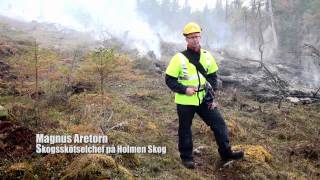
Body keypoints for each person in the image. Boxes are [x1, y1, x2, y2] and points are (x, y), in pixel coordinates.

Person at [165, 22, 244, 169]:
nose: (195, 39)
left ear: (200, 37)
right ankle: (187, 157)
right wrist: (184, 89)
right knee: (185, 128)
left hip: (204, 99)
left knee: (219, 124)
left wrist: (211, 95)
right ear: (186, 39)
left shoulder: (207, 56)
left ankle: (226, 153)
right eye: (191, 37)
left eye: (197, 36)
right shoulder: (178, 58)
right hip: (185, 100)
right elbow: (169, 79)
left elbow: (213, 77)